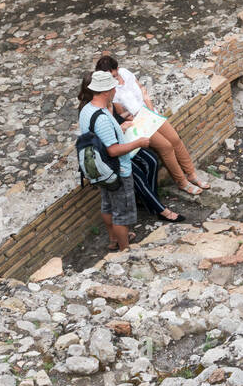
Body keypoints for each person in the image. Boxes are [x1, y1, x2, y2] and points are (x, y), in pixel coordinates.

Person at [95, 55, 210, 197]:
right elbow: (123, 113)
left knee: (175, 140)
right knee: (166, 146)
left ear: (117, 69)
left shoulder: (125, 72)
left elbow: (142, 89)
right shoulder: (112, 90)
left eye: (113, 75)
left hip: (150, 112)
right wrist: (145, 115)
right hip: (139, 122)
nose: (112, 79)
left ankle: (191, 174)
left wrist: (149, 108)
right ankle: (181, 181)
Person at [77, 70, 150, 252]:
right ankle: (124, 249)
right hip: (117, 171)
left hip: (101, 169)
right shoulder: (101, 118)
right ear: (105, 92)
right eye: (113, 87)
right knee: (121, 214)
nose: (116, 90)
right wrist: (139, 143)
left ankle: (113, 239)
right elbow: (113, 149)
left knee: (107, 205)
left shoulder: (87, 110)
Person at [130, 146, 185, 223]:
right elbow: (112, 151)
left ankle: (151, 202)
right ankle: (161, 210)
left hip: (125, 143)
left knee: (152, 161)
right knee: (138, 177)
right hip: (113, 155)